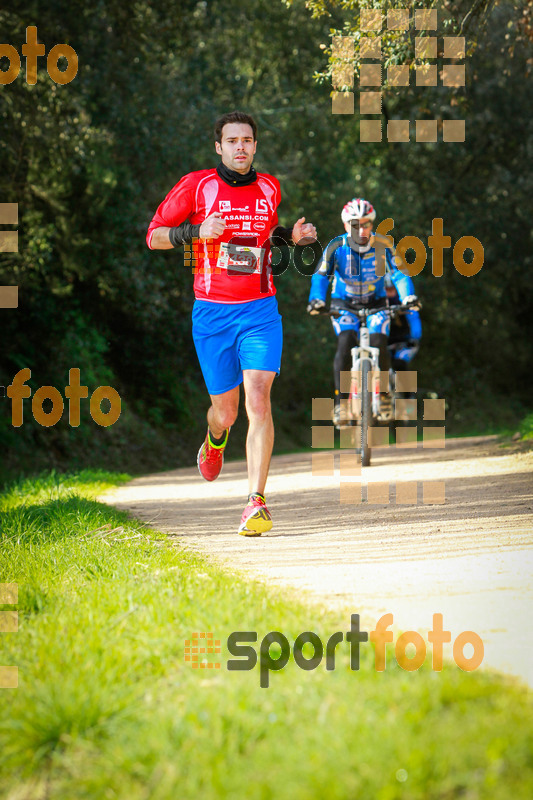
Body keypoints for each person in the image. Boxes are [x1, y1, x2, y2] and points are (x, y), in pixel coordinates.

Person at [147, 111, 316, 536]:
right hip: (212, 314)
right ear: (218, 147)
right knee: (225, 411)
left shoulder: (270, 187)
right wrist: (196, 232)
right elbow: (154, 235)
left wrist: (290, 240)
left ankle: (255, 502)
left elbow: (262, 244)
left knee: (257, 399)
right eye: (232, 140)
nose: (240, 146)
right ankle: (215, 437)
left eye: (247, 140)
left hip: (260, 310)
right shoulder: (198, 185)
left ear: (255, 146)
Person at [307, 198, 419, 427]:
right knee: (345, 341)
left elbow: (399, 273)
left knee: (379, 340)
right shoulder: (335, 247)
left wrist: (408, 296)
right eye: (354, 223)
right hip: (344, 304)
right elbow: (320, 276)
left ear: (372, 224)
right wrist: (316, 300)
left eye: (366, 223)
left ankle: (386, 395)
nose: (361, 228)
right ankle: (341, 404)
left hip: (377, 303)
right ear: (346, 225)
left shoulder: (384, 245)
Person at [384, 274, 422, 373]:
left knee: (400, 364)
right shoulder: (378, 304)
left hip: (404, 342)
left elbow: (414, 320)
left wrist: (415, 338)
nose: (389, 293)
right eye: (387, 290)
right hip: (384, 343)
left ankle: (406, 388)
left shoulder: (405, 304)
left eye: (392, 290)